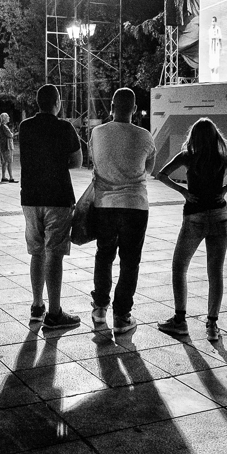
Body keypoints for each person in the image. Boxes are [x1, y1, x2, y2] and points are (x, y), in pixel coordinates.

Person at [156, 118, 227, 340]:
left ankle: (180, 320)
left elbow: (161, 175)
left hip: (194, 216)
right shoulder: (223, 158)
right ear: (216, 137)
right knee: (215, 273)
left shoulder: (187, 156)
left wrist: (184, 191)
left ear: (193, 137)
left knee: (179, 267)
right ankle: (212, 325)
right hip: (220, 217)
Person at [88, 88, 157, 334]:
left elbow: (93, 161)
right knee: (130, 261)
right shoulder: (145, 136)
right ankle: (122, 316)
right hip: (135, 206)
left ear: (111, 106)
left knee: (104, 256)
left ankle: (99, 309)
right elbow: (149, 169)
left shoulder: (97, 133)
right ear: (135, 109)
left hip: (104, 205)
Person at [19, 84, 83, 330]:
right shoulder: (65, 127)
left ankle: (37, 306)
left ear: (37, 103)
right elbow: (76, 162)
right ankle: (55, 312)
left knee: (37, 252)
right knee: (54, 254)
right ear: (57, 102)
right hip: (58, 196)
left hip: (31, 197)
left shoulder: (25, 127)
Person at [0, 113, 16, 183]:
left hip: (3, 147)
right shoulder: (4, 126)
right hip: (7, 146)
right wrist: (13, 134)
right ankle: (11, 177)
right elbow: (10, 135)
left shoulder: (1, 126)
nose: (9, 118)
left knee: (4, 162)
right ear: (4, 118)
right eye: (7, 116)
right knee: (9, 162)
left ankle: (3, 176)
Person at [208, 16, 222, 82]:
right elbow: (209, 39)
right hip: (211, 50)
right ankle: (212, 80)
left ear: (215, 22)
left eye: (213, 21)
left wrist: (220, 49)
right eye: (212, 21)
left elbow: (220, 39)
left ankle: (217, 80)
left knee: (216, 66)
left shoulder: (218, 29)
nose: (212, 23)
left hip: (216, 49)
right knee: (211, 67)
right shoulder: (210, 29)